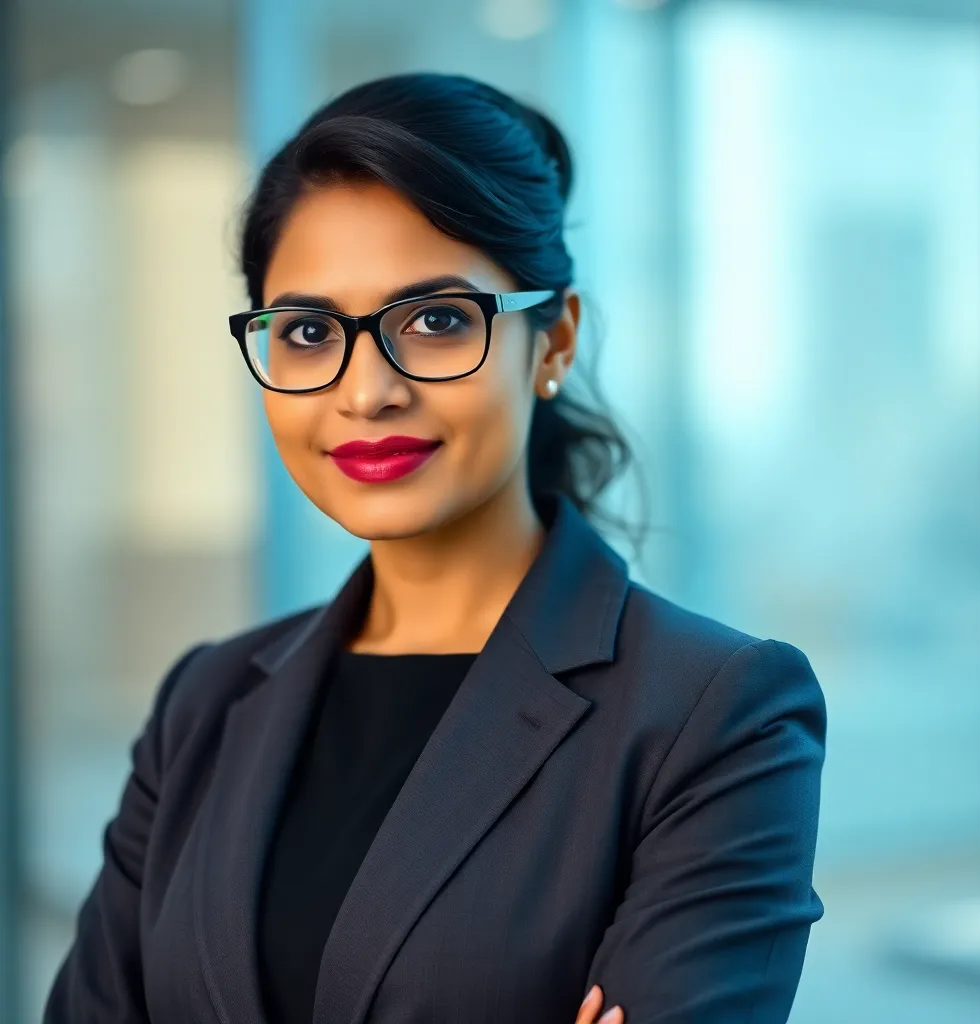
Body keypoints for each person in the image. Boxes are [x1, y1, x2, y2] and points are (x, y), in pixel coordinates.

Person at [43, 72, 826, 1024]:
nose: (366, 391)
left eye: (438, 321)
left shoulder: (713, 716)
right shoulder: (204, 702)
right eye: (306, 331)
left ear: (553, 342)